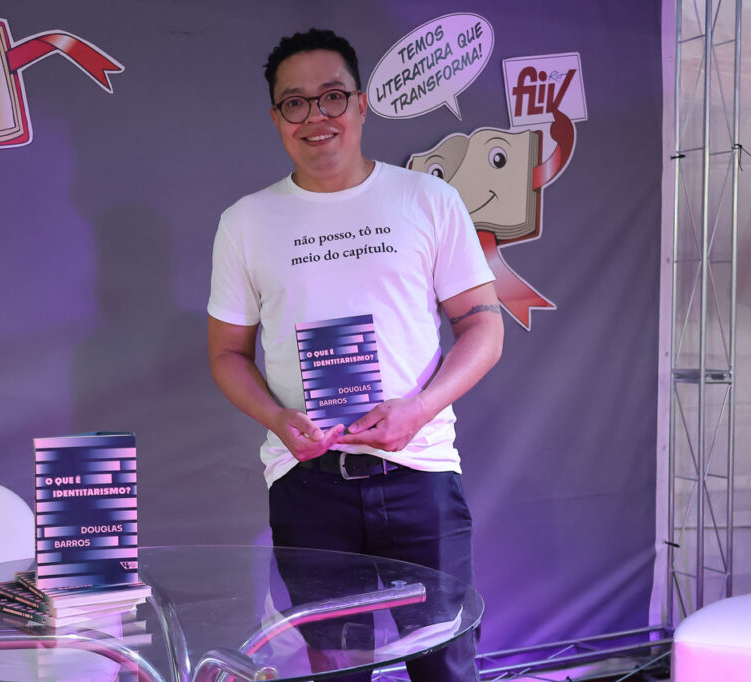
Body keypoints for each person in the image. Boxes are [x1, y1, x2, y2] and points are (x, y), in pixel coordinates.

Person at [207, 28, 503, 682]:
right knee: (334, 670)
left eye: (332, 96)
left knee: (447, 667)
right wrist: (276, 418)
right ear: (276, 117)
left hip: (420, 472)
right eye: (295, 102)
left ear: (362, 105)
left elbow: (484, 328)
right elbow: (227, 354)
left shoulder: (428, 201)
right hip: (307, 482)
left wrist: (419, 409)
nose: (316, 115)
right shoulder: (246, 223)